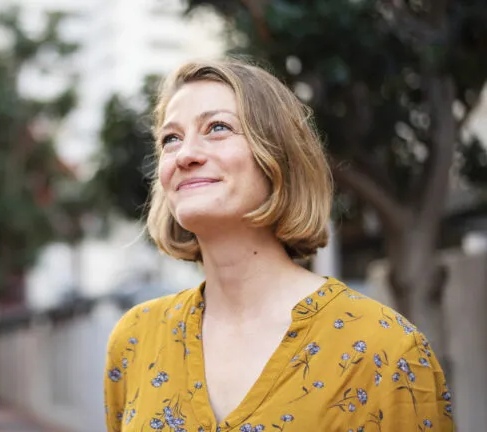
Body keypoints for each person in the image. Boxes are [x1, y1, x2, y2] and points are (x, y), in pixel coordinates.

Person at [103, 59, 454, 432]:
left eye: (217, 128)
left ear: (279, 158)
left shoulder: (384, 349)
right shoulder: (136, 341)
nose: (185, 154)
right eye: (170, 139)